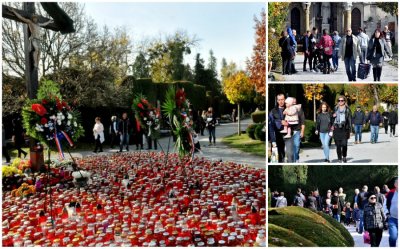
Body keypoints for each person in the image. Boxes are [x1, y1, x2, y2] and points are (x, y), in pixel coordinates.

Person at [284, 97, 305, 163]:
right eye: (293, 102)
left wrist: (302, 131)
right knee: (289, 147)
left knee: (297, 145)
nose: (294, 103)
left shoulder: (299, 110)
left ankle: (296, 158)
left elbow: (303, 121)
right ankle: (290, 160)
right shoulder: (287, 108)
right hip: (289, 130)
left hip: (297, 130)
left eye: (295, 102)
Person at [332, 96, 352, 163]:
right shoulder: (335, 108)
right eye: (339, 100)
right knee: (338, 145)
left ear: (344, 101)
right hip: (336, 128)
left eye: (342, 100)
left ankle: (344, 156)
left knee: (344, 144)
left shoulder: (347, 109)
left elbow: (350, 120)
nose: (340, 102)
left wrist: (351, 130)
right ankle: (339, 158)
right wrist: (333, 116)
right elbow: (331, 118)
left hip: (344, 128)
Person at [268, 94, 286, 162]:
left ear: (284, 99)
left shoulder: (289, 109)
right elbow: (271, 126)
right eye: (279, 100)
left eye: (282, 99)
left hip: (288, 135)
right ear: (277, 100)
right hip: (277, 135)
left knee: (288, 154)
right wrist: (272, 140)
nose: (281, 101)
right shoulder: (273, 111)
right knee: (276, 156)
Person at [386, 178, 398, 247]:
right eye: (397, 183)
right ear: (395, 184)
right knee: (393, 237)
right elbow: (385, 204)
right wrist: (387, 213)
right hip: (392, 218)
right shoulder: (391, 193)